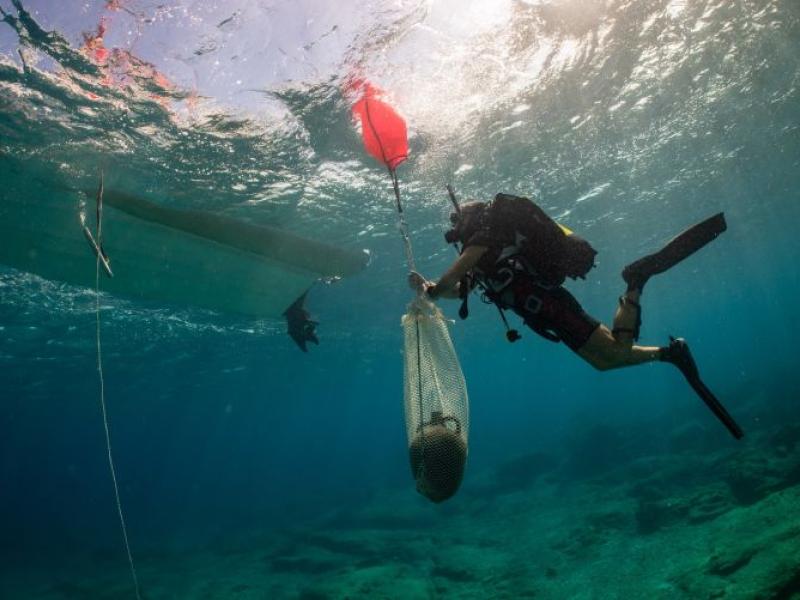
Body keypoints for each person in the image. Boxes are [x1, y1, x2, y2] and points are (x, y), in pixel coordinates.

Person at [409, 193, 743, 439]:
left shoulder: (483, 239)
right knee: (603, 361)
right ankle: (670, 353)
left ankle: (636, 281)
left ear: (469, 218)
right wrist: (428, 288)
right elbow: (459, 289)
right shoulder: (484, 256)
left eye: (456, 223)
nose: (455, 231)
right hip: (547, 313)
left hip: (553, 307)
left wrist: (432, 291)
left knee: (617, 352)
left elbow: (451, 280)